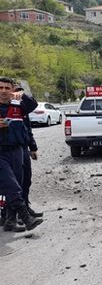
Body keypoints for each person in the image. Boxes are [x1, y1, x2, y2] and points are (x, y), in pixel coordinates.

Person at [0, 77, 42, 232]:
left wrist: (22, 93)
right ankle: (25, 218)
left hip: (17, 150)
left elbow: (33, 104)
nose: (3, 91)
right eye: (0, 88)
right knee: (11, 186)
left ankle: (10, 219)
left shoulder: (19, 105)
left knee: (19, 184)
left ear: (12, 89)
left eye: (7, 88)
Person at [16, 86, 43, 219]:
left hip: (22, 149)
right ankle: (10, 215)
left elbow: (27, 130)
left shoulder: (20, 108)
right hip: (5, 150)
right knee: (13, 184)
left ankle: (25, 208)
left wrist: (33, 148)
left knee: (26, 180)